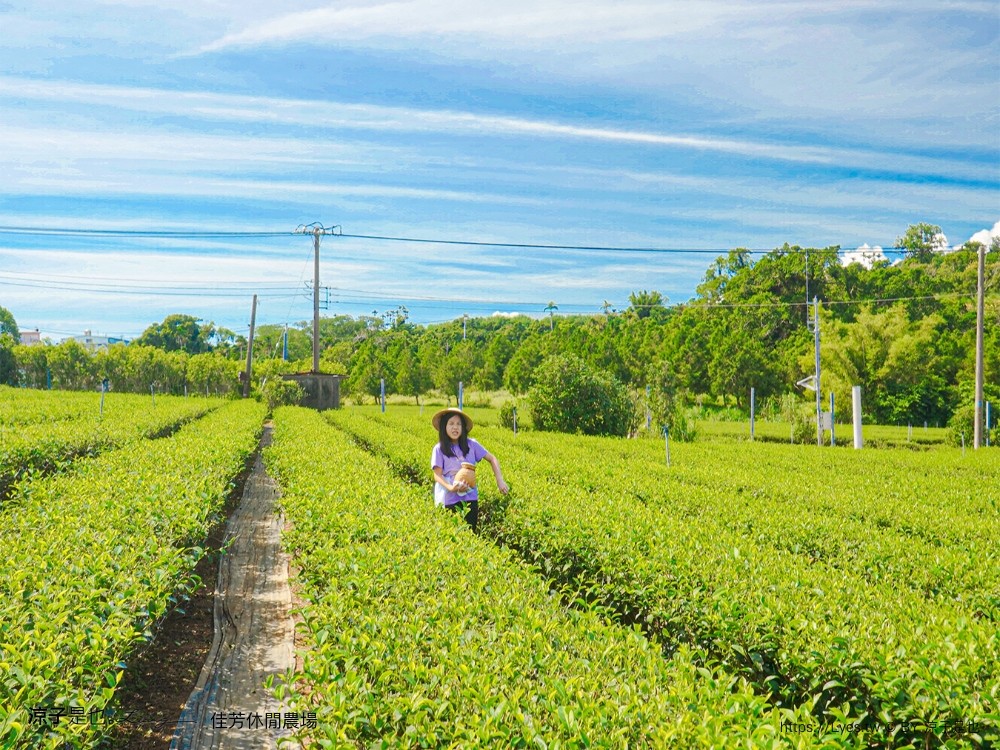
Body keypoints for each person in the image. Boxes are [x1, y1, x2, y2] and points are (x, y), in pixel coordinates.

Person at [430, 407, 508, 531]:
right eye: (451, 423)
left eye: (458, 424)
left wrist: (500, 481)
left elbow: (492, 459)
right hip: (449, 500)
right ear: (444, 426)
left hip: (470, 499)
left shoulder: (472, 445)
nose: (455, 427)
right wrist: (451, 488)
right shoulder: (439, 449)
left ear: (463, 428)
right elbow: (437, 475)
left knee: (471, 534)